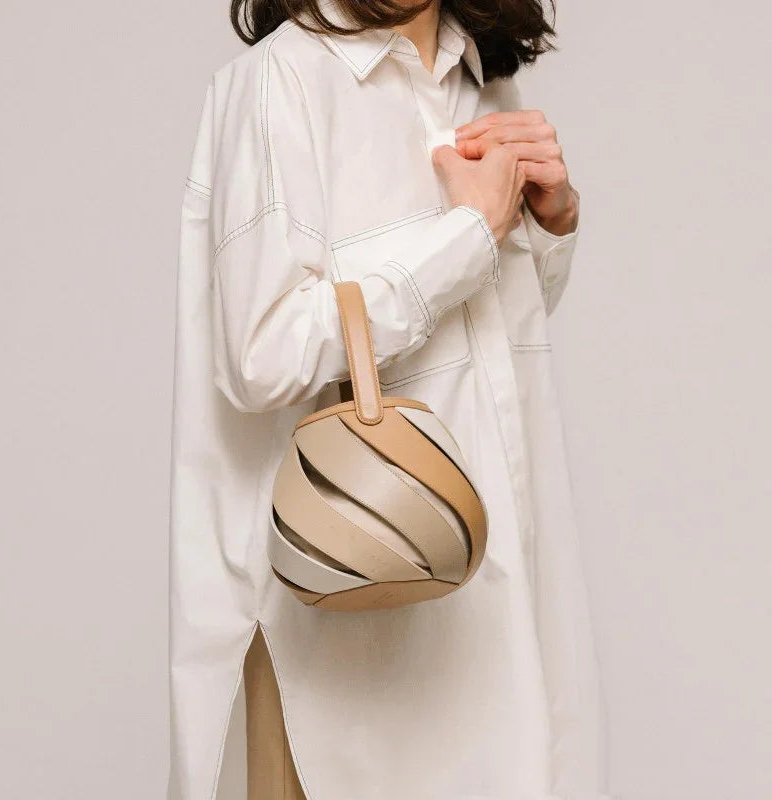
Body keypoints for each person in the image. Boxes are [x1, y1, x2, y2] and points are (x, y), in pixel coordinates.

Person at [168, 0, 610, 798]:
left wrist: (551, 222)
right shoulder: (280, 81)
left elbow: (490, 344)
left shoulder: (476, 83)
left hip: (497, 604)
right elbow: (260, 354)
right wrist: (466, 235)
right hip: (353, 637)